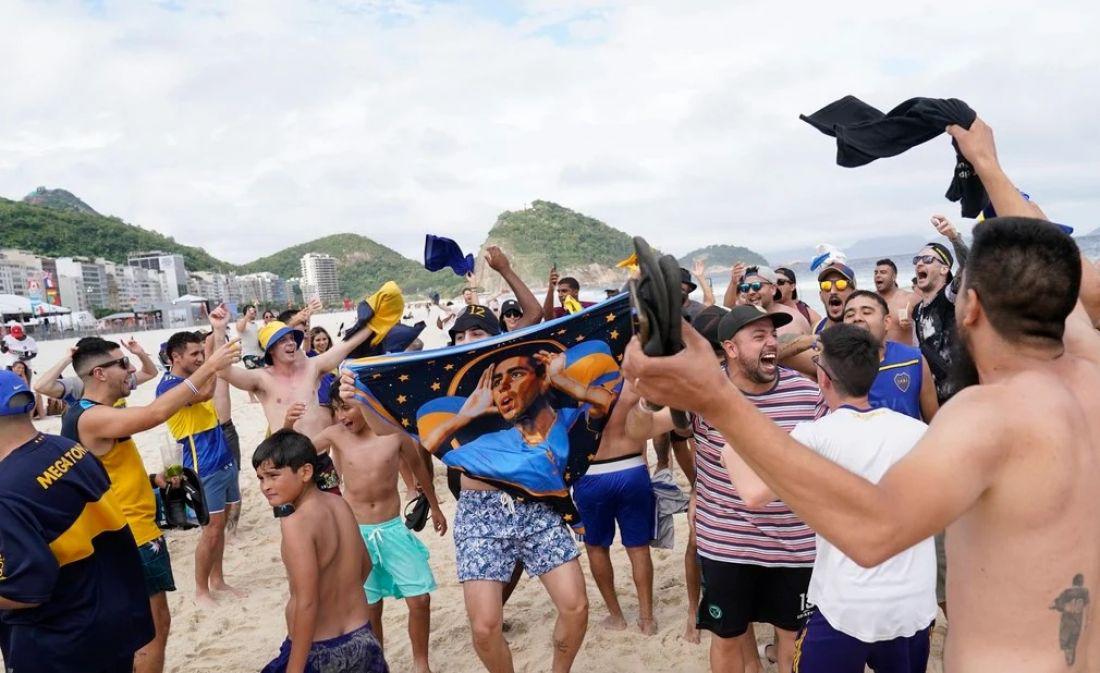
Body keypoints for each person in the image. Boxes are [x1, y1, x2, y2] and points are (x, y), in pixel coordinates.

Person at [622, 117, 1100, 672]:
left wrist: (716, 398)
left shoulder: (989, 415)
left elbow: (874, 534)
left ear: (969, 310)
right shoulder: (1088, 374)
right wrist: (989, 170)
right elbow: (1064, 270)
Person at [626, 304, 826, 673]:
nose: (771, 343)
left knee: (793, 637)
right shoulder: (703, 393)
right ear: (730, 348)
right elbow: (638, 431)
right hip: (728, 544)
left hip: (795, 544)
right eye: (759, 336)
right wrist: (646, 401)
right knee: (727, 637)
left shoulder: (806, 393)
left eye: (773, 334)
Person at [59, 336, 240, 673]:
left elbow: (102, 474)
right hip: (131, 537)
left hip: (123, 532)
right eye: (123, 364)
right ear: (99, 373)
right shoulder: (90, 417)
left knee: (134, 628)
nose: (131, 370)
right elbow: (156, 413)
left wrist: (151, 480)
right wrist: (210, 367)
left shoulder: (94, 414)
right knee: (153, 629)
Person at [786, 324, 937, 671]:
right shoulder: (920, 433)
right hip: (910, 604)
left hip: (845, 605)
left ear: (823, 379)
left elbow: (754, 493)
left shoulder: (814, 435)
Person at [0, 370, 155, 673]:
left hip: (60, 645)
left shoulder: (6, 491)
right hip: (113, 622)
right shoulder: (69, 449)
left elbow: (27, 590)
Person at [294, 378, 446, 673]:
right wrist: (288, 427)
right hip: (356, 534)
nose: (342, 416)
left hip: (392, 529)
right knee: (371, 606)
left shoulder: (394, 435)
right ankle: (379, 662)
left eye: (348, 408)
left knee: (420, 600)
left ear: (366, 403)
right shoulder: (335, 435)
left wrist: (436, 507)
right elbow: (295, 455)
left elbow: (419, 471)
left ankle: (421, 664)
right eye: (337, 409)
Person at [253, 430, 389, 673]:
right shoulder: (339, 504)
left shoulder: (296, 522)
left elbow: (307, 603)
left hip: (319, 651)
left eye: (273, 476)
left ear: (306, 472)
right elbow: (365, 565)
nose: (266, 487)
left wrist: (295, 668)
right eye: (261, 478)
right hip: (362, 639)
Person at [156, 331, 244, 608]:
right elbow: (206, 392)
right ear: (175, 357)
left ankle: (217, 579)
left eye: (200, 353)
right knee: (211, 529)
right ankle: (200, 590)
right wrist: (214, 362)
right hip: (201, 465)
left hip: (222, 457)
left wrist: (215, 337)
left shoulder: (194, 377)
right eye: (193, 354)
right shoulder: (170, 386)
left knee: (221, 525)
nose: (199, 358)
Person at [207, 302, 376, 438]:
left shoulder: (312, 367)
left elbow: (346, 346)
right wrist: (219, 330)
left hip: (320, 458)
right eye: (282, 341)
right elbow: (223, 370)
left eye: (291, 338)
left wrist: (376, 323)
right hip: (289, 460)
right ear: (271, 350)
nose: (291, 343)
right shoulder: (262, 378)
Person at [572, 381, 657, 636]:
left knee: (596, 547)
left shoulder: (574, 385)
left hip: (592, 473)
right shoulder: (631, 382)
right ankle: (647, 619)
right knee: (638, 548)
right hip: (632, 467)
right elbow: (647, 428)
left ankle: (616, 616)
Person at [843, 291, 939, 422]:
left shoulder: (913, 360)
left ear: (887, 322)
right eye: (849, 315)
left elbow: (933, 422)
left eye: (866, 312)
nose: (857, 318)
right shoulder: (835, 367)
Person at [912, 215, 970, 404]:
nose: (920, 263)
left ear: (944, 269)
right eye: (917, 259)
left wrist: (954, 237)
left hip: (961, 396)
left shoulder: (949, 297)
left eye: (928, 259)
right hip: (933, 398)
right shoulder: (917, 310)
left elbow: (970, 268)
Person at [34, 336, 160, 406]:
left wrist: (140, 353)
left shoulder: (117, 379)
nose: (131, 369)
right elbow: (41, 386)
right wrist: (67, 359)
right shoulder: (78, 384)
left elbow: (150, 373)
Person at [738, 265, 811, 335]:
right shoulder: (740, 320)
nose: (751, 292)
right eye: (746, 287)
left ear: (773, 289)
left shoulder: (793, 320)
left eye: (756, 286)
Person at [873, 258, 915, 345]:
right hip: (876, 356)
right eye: (876, 273)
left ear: (894, 276)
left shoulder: (909, 299)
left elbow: (927, 327)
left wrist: (913, 325)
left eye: (883, 272)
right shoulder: (869, 300)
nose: (878, 275)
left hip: (904, 357)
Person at [814, 261, 857, 334]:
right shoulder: (817, 328)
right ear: (821, 296)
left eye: (841, 284)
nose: (832, 291)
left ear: (854, 294)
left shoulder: (863, 331)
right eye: (826, 285)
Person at [236, 304, 267, 369]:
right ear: (247, 312)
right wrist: (247, 316)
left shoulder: (255, 325)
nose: (254, 313)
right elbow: (240, 329)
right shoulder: (241, 322)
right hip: (249, 355)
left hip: (260, 354)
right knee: (256, 375)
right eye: (253, 311)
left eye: (255, 311)